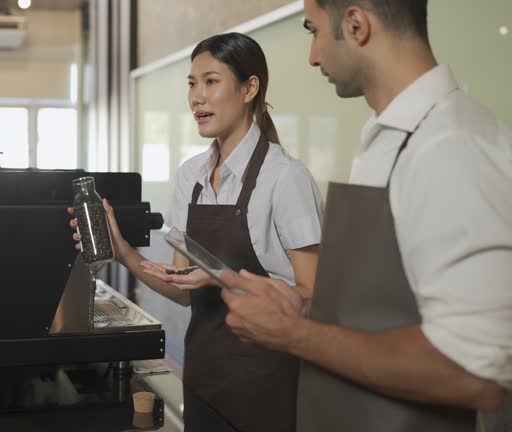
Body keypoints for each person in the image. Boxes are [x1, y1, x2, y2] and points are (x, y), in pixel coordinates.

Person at [220, 1, 511, 431]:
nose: (313, 55)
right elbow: (391, 304)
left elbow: (475, 373)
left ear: (357, 24)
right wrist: (302, 305)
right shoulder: (388, 138)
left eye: (313, 31)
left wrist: (293, 335)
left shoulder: (450, 146)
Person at [71, 32, 323, 431]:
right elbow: (181, 288)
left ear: (249, 88)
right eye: (191, 83)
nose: (196, 97)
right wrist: (123, 252)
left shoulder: (286, 179)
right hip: (204, 377)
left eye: (211, 80)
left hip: (269, 384)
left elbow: (315, 298)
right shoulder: (191, 176)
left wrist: (224, 279)